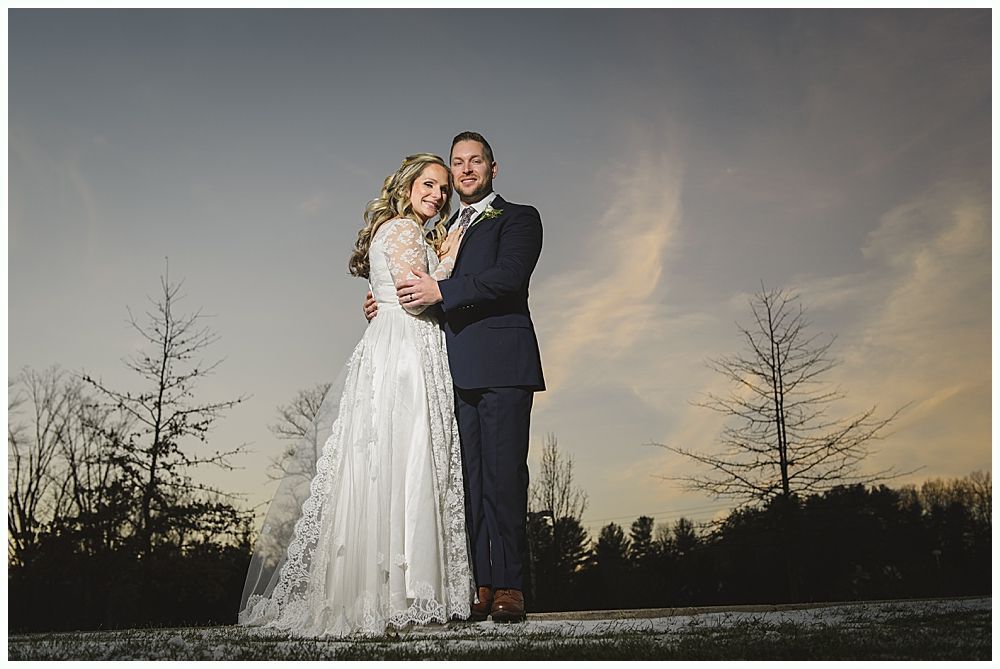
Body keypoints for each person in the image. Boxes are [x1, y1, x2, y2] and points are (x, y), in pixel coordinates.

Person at [238, 153, 473, 637]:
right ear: (408, 186)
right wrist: (450, 254)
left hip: (392, 345)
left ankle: (392, 590)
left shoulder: (397, 230)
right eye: (429, 185)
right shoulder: (406, 231)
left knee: (386, 462)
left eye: (444, 189)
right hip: (407, 350)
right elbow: (414, 290)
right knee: (409, 457)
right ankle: (407, 593)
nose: (438, 195)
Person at [369, 131, 545, 623]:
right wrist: (385, 302)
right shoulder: (439, 230)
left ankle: (509, 584)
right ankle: (478, 582)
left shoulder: (518, 218)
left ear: (493, 168)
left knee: (504, 474)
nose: (465, 170)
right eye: (457, 163)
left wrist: (438, 291)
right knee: (465, 483)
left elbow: (508, 277)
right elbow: (410, 278)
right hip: (451, 371)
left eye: (475, 161)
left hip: (504, 364)